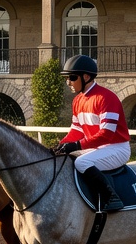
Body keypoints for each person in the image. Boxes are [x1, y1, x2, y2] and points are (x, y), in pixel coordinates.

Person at [54, 54, 130, 212]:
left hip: (116, 148)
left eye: (72, 78)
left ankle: (112, 197)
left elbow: (106, 135)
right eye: (67, 78)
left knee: (81, 162)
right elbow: (76, 130)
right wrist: (61, 146)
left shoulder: (106, 98)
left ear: (86, 77)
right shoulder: (77, 100)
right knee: (65, 158)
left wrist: (76, 146)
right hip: (95, 148)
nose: (68, 82)